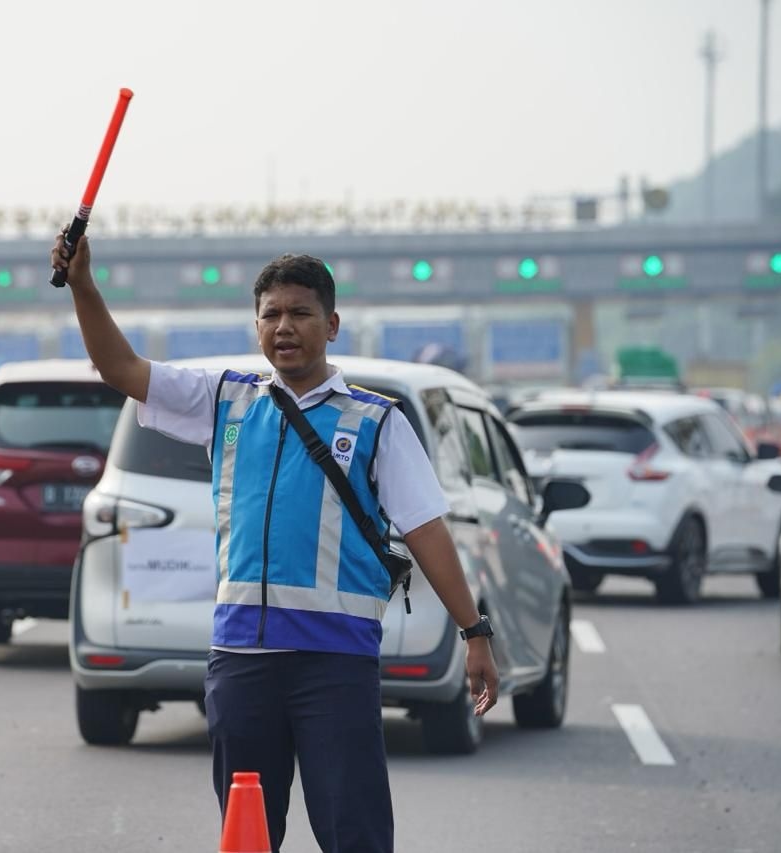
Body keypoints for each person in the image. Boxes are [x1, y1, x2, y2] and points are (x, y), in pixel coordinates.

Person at [51, 233, 499, 853]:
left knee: (355, 833)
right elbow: (120, 369)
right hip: (241, 661)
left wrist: (474, 633)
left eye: (300, 313)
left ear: (331, 325)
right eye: (271, 315)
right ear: (257, 325)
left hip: (335, 664)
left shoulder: (377, 421)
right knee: (249, 834)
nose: (284, 326)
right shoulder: (225, 400)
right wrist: (82, 285)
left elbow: (426, 530)